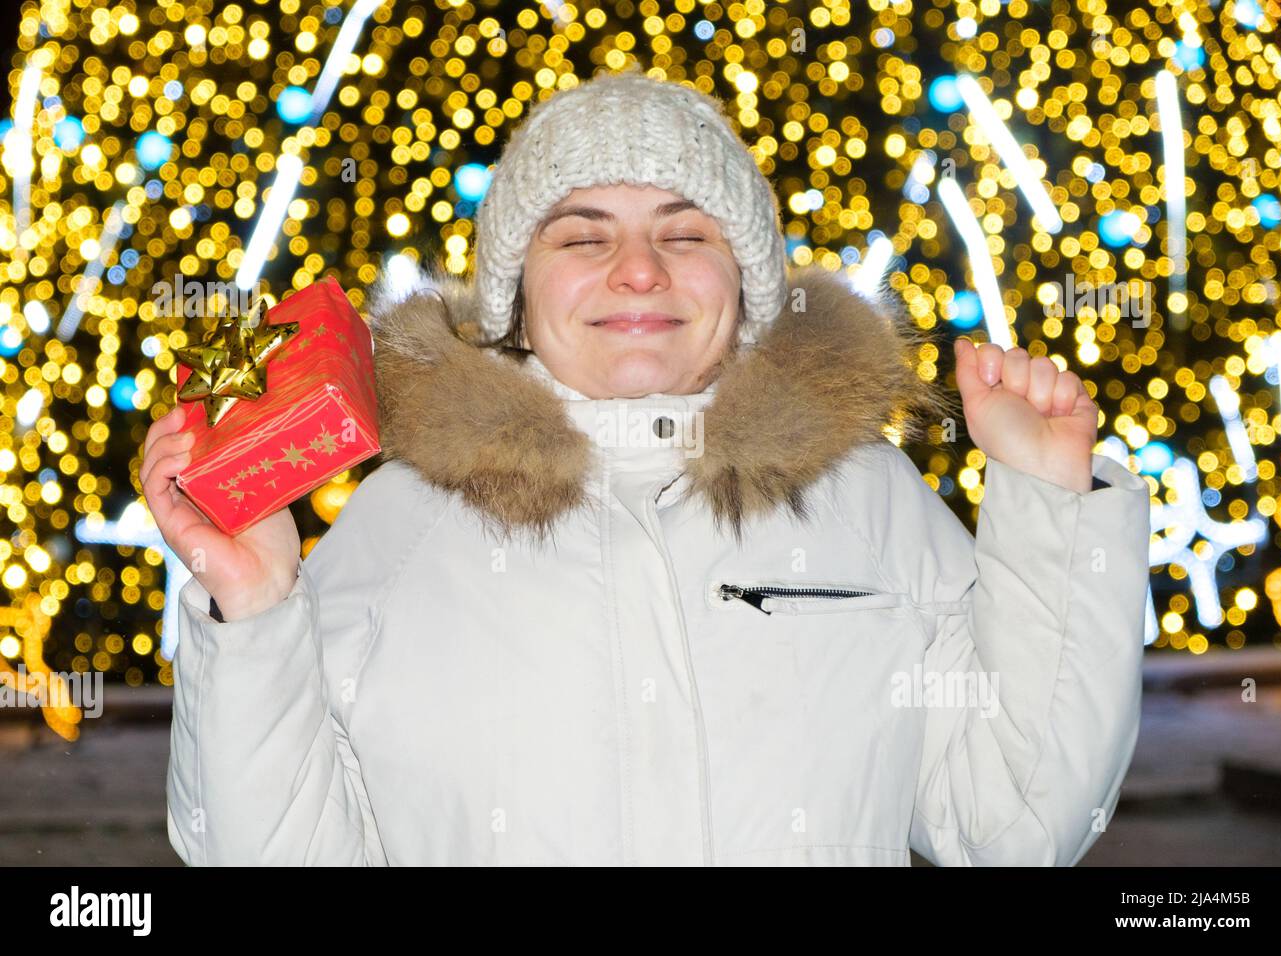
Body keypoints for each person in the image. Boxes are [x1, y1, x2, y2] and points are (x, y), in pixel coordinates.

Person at [143, 68, 1152, 866]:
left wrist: (1052, 508)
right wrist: (257, 607)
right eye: (584, 234)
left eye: (685, 233)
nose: (639, 269)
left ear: (746, 284)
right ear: (514, 292)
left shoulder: (866, 500)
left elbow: (1014, 824)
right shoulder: (399, 525)